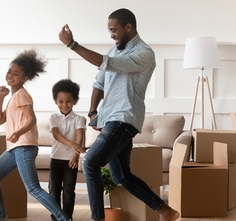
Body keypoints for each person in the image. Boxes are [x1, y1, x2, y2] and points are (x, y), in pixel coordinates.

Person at [58, 8, 180, 221]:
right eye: (109, 31)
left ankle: (97, 218)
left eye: (114, 30)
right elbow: (99, 82)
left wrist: (72, 45)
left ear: (128, 27)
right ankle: (165, 211)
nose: (112, 35)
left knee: (91, 162)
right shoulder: (113, 50)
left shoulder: (144, 53)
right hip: (110, 119)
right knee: (121, 176)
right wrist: (93, 112)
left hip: (125, 119)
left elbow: (107, 63)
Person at [0, 49, 71, 221]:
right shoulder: (13, 95)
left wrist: (17, 132)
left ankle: (64, 219)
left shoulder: (22, 95)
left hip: (23, 146)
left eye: (15, 74)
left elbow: (31, 120)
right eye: (9, 71)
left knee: (33, 188)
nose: (10, 75)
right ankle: (0, 217)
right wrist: (1, 97)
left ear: (24, 78)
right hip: (14, 148)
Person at [48, 79, 86, 221]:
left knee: (69, 191)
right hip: (56, 159)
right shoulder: (53, 117)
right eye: (60, 101)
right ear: (56, 101)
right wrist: (72, 145)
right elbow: (56, 135)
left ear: (74, 101)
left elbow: (80, 137)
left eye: (68, 101)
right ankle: (55, 217)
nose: (64, 105)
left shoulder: (79, 119)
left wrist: (75, 156)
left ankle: (67, 217)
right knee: (54, 191)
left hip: (71, 160)